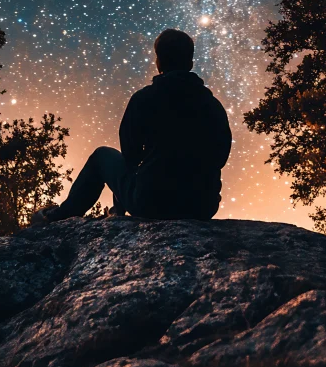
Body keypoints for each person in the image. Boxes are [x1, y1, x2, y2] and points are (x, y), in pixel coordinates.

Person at [32, 28, 232, 225]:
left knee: (101, 156)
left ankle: (60, 217)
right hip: (202, 206)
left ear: (159, 62)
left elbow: (130, 154)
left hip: (152, 204)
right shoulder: (212, 105)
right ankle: (117, 211)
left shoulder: (145, 98)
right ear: (190, 62)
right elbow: (221, 156)